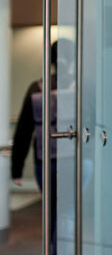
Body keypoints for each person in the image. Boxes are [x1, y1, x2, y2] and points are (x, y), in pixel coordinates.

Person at [11, 40, 65, 255]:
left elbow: (23, 131)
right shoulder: (81, 87)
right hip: (77, 160)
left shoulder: (37, 88)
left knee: (52, 211)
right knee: (69, 212)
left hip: (45, 161)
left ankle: (54, 249)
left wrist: (16, 167)